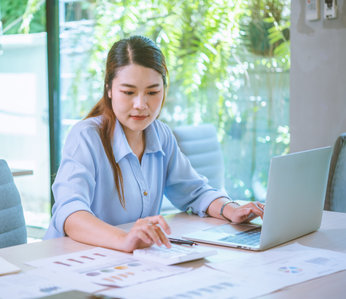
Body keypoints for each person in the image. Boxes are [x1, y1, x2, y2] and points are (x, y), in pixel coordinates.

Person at [44, 35, 264, 252]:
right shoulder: (86, 136)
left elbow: (195, 192)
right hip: (73, 257)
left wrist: (231, 209)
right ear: (109, 89)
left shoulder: (160, 134)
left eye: (152, 92)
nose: (141, 104)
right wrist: (125, 239)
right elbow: (70, 213)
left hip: (126, 261)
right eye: (128, 92)